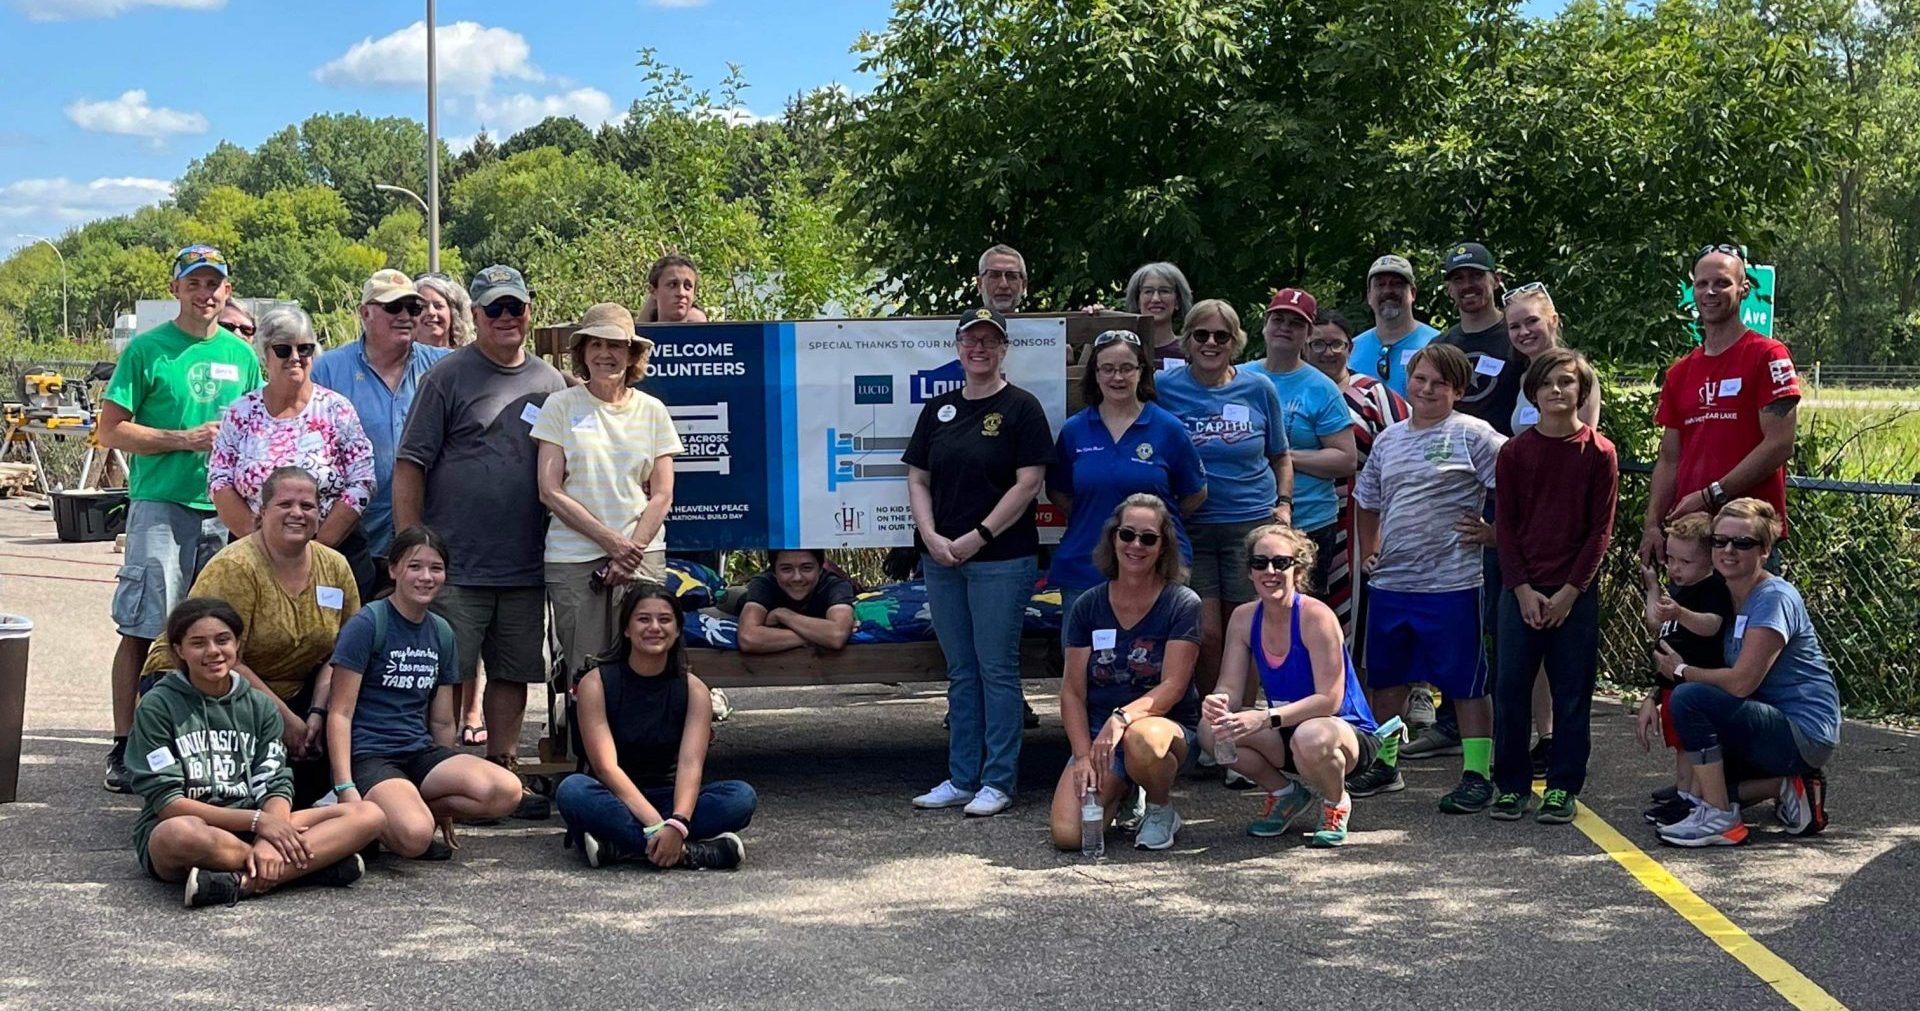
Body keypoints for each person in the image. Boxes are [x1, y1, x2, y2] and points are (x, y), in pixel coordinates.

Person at [394, 264, 567, 813]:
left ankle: (502, 775)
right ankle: (442, 776)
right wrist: (410, 548)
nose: (506, 317)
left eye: (515, 306)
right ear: (475, 316)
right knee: (447, 672)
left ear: (529, 311)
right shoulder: (446, 377)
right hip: (456, 562)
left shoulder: (551, 383)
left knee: (514, 671)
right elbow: (409, 466)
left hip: (525, 561)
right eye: (494, 308)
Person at [99, 244, 263, 794]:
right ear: (177, 290)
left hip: (224, 510)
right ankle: (125, 744)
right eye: (194, 283)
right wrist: (183, 439)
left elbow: (256, 430)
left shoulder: (242, 357)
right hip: (162, 507)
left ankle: (212, 739)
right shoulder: (148, 351)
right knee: (145, 626)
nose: (206, 293)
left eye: (214, 283)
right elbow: (111, 430)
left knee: (218, 633)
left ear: (227, 290)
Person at [129, 597, 385, 907]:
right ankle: (305, 867)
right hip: (202, 826)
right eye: (198, 643)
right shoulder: (157, 706)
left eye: (222, 640)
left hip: (260, 822)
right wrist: (258, 824)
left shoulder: (260, 705)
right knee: (177, 834)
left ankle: (239, 882)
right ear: (179, 650)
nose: (213, 651)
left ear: (238, 644)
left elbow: (276, 782)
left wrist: (268, 836)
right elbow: (169, 804)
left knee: (368, 814)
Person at [904, 307, 1052, 818]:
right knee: (961, 671)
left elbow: (1028, 483)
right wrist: (931, 535)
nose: (979, 348)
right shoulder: (939, 408)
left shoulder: (1022, 408)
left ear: (1003, 348)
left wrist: (978, 536)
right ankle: (962, 777)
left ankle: (998, 780)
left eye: (990, 341)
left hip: (1002, 558)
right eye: (971, 340)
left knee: (996, 669)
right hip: (940, 557)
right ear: (958, 346)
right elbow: (918, 478)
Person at [141, 467, 362, 805]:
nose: (297, 514)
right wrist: (285, 720)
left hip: (295, 688)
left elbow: (342, 655)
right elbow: (224, 657)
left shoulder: (335, 567)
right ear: (262, 511)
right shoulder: (236, 567)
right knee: (240, 788)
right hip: (208, 680)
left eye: (307, 506)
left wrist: (318, 714)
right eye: (284, 504)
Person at [1353, 344, 1505, 812]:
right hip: (1393, 583)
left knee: (1465, 683)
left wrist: (1496, 533)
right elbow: (1366, 498)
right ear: (1409, 382)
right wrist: (1370, 549)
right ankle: (1386, 765)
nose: (1428, 389)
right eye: (1421, 379)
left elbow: (1522, 487)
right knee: (1387, 680)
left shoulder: (1474, 435)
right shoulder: (1389, 439)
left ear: (1458, 390)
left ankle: (1477, 774)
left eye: (1440, 382)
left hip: (1453, 583)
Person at [324, 526, 522, 859]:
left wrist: (445, 788)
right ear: (394, 569)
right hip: (370, 754)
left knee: (506, 791)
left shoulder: (441, 631)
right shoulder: (368, 624)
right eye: (415, 566)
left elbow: (443, 720)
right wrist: (344, 786)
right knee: (415, 837)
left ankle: (408, 806)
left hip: (417, 752)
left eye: (436, 568)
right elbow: (340, 712)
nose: (426, 577)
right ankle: (372, 812)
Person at [1653, 499, 1837, 845]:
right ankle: (1788, 786)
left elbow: (1740, 683)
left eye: (1743, 543)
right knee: (1703, 781)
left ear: (1765, 549)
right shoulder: (1723, 596)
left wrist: (1680, 671)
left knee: (1689, 698)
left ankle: (1721, 819)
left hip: (1802, 730)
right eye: (1720, 541)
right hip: (1762, 720)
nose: (1728, 550)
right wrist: (1653, 695)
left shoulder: (1773, 597)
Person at [1489, 349, 1618, 824]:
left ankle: (1563, 786)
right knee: (1510, 690)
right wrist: (1521, 589)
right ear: (1533, 393)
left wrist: (1569, 593)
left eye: (1567, 383)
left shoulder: (1599, 453)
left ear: (1581, 393)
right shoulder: (1515, 452)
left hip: (1573, 595)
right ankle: (1511, 786)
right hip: (1520, 591)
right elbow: (1506, 528)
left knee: (1571, 692)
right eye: (1548, 384)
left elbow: (1598, 533)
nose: (1557, 391)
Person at [1202, 525, 1380, 847]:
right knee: (1210, 729)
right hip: (1287, 727)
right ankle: (1285, 794)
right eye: (1260, 563)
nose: (1270, 571)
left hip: (1342, 732)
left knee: (1310, 736)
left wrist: (1263, 717)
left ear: (1298, 569)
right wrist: (1217, 702)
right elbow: (1228, 684)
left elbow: (1329, 700)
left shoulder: (1316, 616)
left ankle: (1335, 801)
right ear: (1250, 571)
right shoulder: (1243, 618)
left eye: (1281, 563)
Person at [534, 302, 681, 689]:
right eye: (595, 344)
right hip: (575, 560)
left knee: (647, 664)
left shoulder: (652, 411)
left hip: (641, 556)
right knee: (587, 673)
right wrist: (611, 543)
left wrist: (630, 549)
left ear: (632, 354)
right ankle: (588, 750)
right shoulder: (560, 406)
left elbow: (662, 494)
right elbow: (549, 490)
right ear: (581, 352)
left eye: (615, 345)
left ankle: (643, 748)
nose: (605, 354)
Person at [555, 587, 753, 869]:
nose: (654, 628)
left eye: (664, 620)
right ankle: (690, 853)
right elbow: (605, 768)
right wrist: (656, 826)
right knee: (573, 791)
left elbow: (690, 764)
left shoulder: (693, 689)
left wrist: (678, 822)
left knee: (741, 797)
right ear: (626, 628)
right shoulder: (596, 683)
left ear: (677, 630)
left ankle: (621, 849)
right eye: (643, 619)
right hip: (615, 797)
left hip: (671, 798)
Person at [1154, 300, 1290, 706]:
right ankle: (1215, 717)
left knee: (1245, 628)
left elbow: (1280, 454)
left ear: (1236, 342)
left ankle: (1242, 722)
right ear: (1187, 340)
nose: (1211, 343)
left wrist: (1284, 504)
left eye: (1221, 336)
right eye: (1201, 335)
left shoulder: (1258, 387)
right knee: (1205, 631)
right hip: (1190, 524)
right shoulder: (1164, 388)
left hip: (1248, 524)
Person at [1050, 495, 1202, 852]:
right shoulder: (1088, 604)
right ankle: (1125, 790)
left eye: (1148, 538)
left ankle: (1161, 807)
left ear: (1163, 547)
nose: (1136, 545)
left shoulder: (1182, 603)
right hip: (1098, 734)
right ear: (1112, 538)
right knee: (1070, 836)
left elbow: (1174, 686)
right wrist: (1084, 755)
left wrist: (1122, 719)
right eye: (1127, 534)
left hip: (1162, 727)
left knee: (1141, 738)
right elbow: (1072, 692)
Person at [1639, 244, 1799, 568]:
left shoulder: (1768, 355)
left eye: (1722, 283)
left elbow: (1780, 444)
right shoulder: (1680, 373)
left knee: (1747, 621)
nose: (1710, 292)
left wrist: (1712, 494)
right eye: (1702, 284)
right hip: (1691, 538)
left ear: (1743, 289)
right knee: (1686, 619)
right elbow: (1669, 458)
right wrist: (1653, 524)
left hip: (1746, 536)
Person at [311, 269, 454, 603]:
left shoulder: (445, 368)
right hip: (351, 537)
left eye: (412, 308)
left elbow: (498, 373)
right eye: (394, 307)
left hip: (427, 540)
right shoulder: (327, 370)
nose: (405, 316)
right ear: (365, 313)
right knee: (352, 637)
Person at [208, 307, 376, 590]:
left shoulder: (337, 409)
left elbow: (362, 480)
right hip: (256, 557)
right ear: (265, 355)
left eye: (305, 349)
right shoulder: (241, 412)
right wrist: (266, 545)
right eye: (284, 350)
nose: (295, 358)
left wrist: (315, 549)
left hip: (333, 554)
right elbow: (219, 480)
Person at [1048, 329, 1206, 620]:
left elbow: (1195, 493)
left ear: (1142, 371)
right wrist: (1101, 516)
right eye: (1107, 368)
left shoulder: (1167, 428)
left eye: (1126, 368)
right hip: (1085, 566)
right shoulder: (1074, 430)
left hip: (1156, 567)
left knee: (1154, 662)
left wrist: (1154, 522)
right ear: (1095, 374)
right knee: (1081, 660)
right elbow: (1057, 491)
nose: (1117, 377)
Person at [1241, 288, 1358, 596]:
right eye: (1278, 319)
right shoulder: (1238, 378)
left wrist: (1284, 457)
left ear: (1307, 333)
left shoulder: (1322, 388)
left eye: (1295, 323)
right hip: (1245, 518)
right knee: (1246, 615)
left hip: (1308, 521)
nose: (1284, 328)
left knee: (1299, 616)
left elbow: (1346, 459)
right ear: (1265, 325)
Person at [1636, 512, 1736, 828]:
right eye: (1671, 560)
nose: (1675, 568)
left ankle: (1692, 800)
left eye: (1685, 562)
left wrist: (1681, 612)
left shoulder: (1712, 589)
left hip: (1695, 682)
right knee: (1680, 746)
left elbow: (1711, 625)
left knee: (1691, 747)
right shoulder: (1682, 588)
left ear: (1709, 560)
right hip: (1672, 683)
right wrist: (1653, 586)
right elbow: (1656, 620)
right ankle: (1684, 797)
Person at [1435, 242, 1521, 435]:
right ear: (1449, 289)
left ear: (1496, 280)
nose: (1467, 285)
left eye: (1476, 276)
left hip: (1511, 455)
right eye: (1458, 279)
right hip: (1454, 457)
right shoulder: (1439, 346)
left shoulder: (1520, 334)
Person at [1504, 284, 1601, 434]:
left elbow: (1585, 443)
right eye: (1515, 326)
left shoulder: (1576, 372)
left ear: (1553, 320)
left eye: (1532, 321)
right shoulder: (1524, 379)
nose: (1524, 332)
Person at [1348, 254, 1440, 397]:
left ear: (1413, 293)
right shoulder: (1351, 349)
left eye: (1396, 284)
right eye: (1380, 285)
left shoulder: (1438, 343)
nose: (1387, 291)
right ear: (1369, 296)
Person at [737, 550, 857, 653]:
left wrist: (783, 615)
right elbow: (748, 638)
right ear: (773, 571)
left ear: (820, 569)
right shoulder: (763, 583)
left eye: (806, 568)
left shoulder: (836, 585)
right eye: (786, 569)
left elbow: (836, 635)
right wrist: (819, 636)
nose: (797, 578)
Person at [1085, 263, 1193, 367]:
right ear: (1137, 300)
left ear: (1177, 301)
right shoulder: (1117, 345)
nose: (1155, 299)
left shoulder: (1190, 350)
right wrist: (1094, 325)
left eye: (1164, 291)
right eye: (1148, 291)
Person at [639, 253, 709, 323]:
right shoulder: (640, 333)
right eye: (672, 285)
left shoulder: (711, 334)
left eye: (687, 286)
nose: (681, 293)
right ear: (653, 291)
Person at [415, 272, 474, 349]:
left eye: (438, 306)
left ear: (453, 312)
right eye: (422, 306)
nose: (431, 312)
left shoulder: (471, 356)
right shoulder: (400, 358)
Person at [977, 244, 1028, 313]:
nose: (1003, 285)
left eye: (1011, 276)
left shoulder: (1041, 323)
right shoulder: (961, 323)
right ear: (980, 284)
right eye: (995, 276)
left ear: (1023, 285)